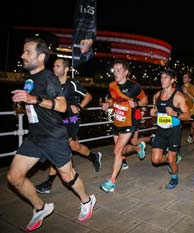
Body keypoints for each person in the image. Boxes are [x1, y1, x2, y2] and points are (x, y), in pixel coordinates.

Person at [8, 37, 95, 231]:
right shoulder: (30, 78)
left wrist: (33, 99)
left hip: (54, 136)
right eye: (23, 51)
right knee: (14, 177)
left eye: (27, 52)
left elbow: (63, 105)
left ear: (40, 57)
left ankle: (87, 200)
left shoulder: (48, 77)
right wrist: (25, 102)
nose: (23, 55)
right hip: (35, 136)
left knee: (67, 176)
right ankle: (40, 207)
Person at [35, 58, 102, 194]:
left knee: (57, 149)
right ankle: (94, 157)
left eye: (57, 66)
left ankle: (48, 183)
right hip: (57, 122)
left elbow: (88, 96)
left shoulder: (72, 83)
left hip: (71, 120)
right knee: (74, 146)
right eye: (54, 65)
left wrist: (79, 107)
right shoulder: (52, 83)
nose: (54, 68)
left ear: (66, 69)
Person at [100, 59, 148, 192]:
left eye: (118, 70)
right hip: (117, 121)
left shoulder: (134, 86)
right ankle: (138, 147)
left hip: (129, 122)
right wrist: (107, 104)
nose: (115, 73)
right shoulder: (112, 85)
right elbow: (113, 100)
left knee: (117, 151)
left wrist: (137, 104)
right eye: (114, 70)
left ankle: (112, 181)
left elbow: (145, 99)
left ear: (126, 72)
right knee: (120, 150)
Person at [150, 69, 190, 189]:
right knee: (156, 160)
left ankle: (174, 177)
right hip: (161, 130)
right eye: (161, 77)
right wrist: (153, 113)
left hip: (174, 131)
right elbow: (156, 113)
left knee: (172, 159)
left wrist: (175, 114)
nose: (162, 80)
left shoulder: (178, 97)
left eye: (166, 77)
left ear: (172, 80)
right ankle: (171, 160)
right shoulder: (157, 95)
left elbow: (188, 116)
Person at [182, 72, 194, 144]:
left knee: (193, 125)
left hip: (192, 109)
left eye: (186, 77)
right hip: (184, 109)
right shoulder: (181, 87)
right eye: (183, 77)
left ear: (189, 79)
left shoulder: (193, 87)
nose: (184, 78)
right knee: (180, 125)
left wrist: (187, 93)